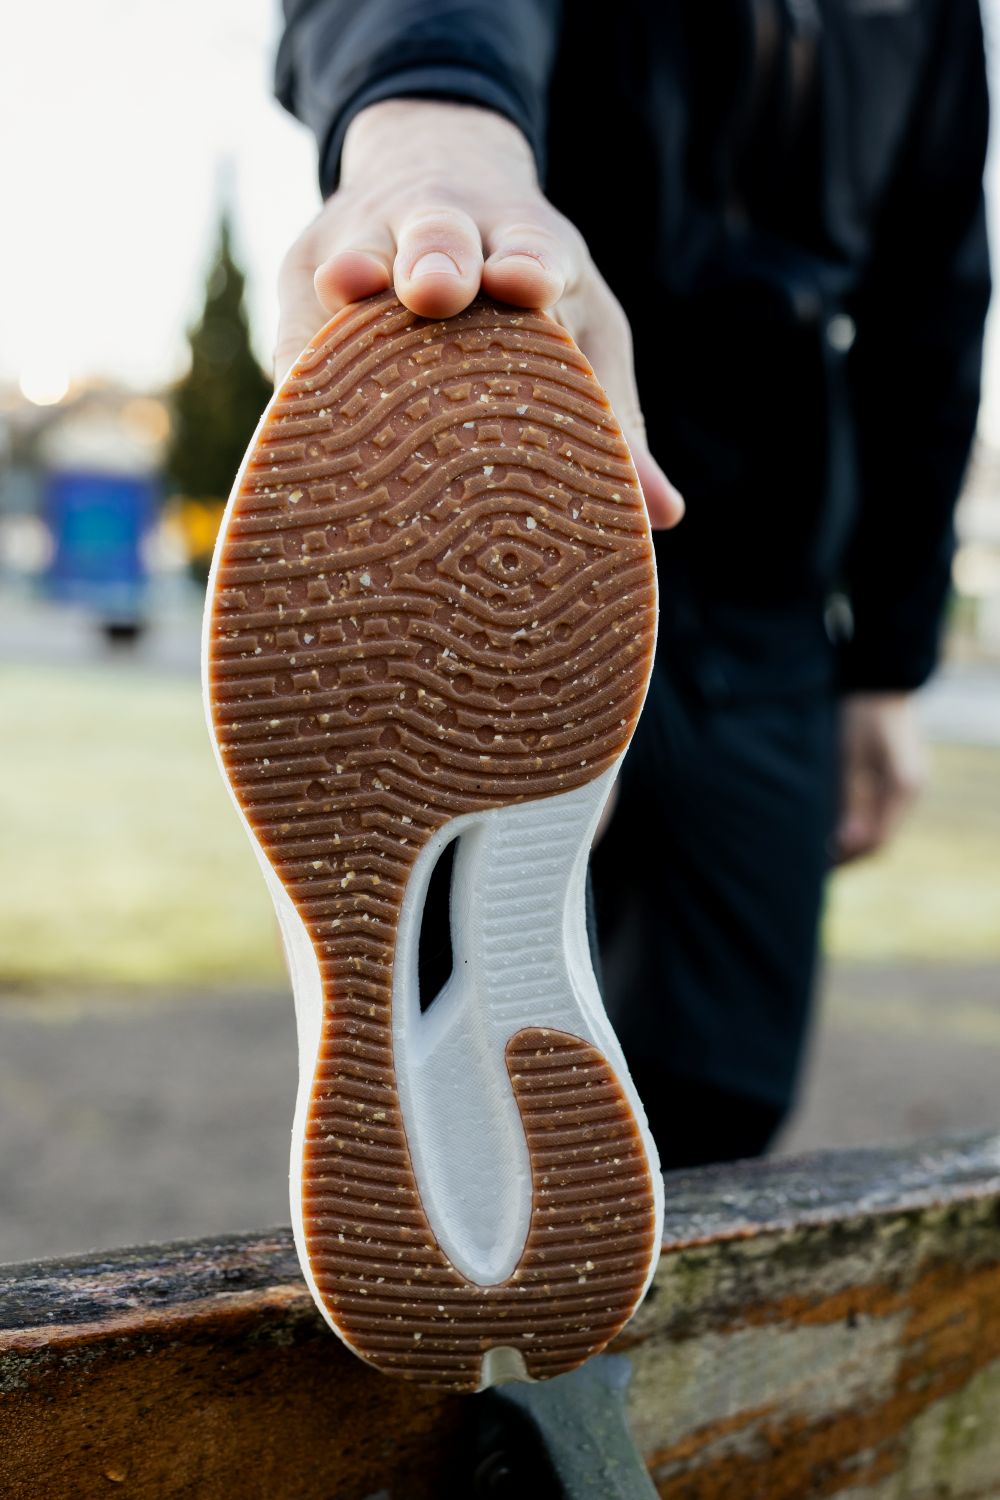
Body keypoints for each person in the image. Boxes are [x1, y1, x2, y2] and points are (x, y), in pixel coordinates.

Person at [272, 0, 990, 1168]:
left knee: (725, 1089)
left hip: (769, 598)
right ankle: (446, 1215)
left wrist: (890, 664)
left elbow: (932, 309)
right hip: (513, 554)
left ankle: (589, 1262)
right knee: (445, 1091)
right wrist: (434, 129)